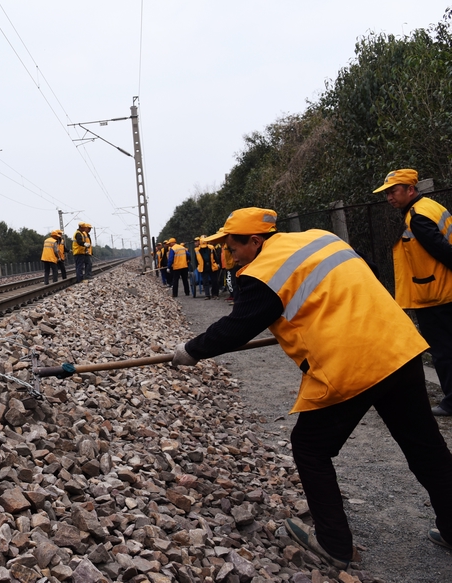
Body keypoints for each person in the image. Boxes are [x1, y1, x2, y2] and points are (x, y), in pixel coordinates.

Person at [172, 207, 452, 567]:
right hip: (398, 346)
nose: (231, 252)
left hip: (353, 365)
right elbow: (355, 281)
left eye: (234, 245)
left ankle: (334, 544)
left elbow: (236, 328)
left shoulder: (261, 273)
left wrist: (190, 351)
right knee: (425, 445)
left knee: (309, 446)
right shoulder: (321, 238)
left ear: (255, 241)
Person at [374, 169, 452, 417]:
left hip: (434, 296)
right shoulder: (431, 207)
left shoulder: (417, 217)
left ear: (410, 190)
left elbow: (443, 252)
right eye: (387, 193)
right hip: (442, 292)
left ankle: (451, 402)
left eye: (393, 191)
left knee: (443, 351)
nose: (389, 198)